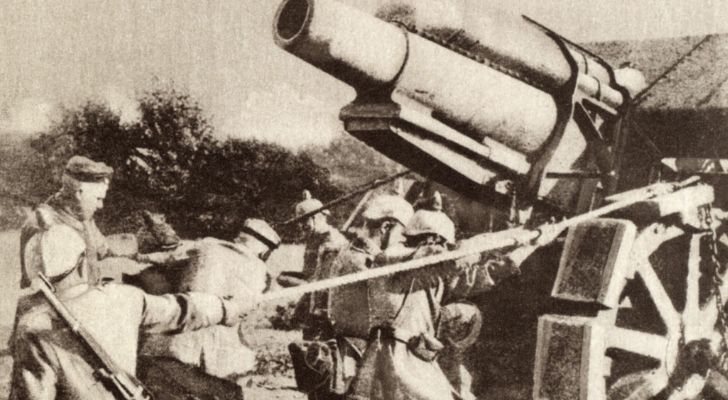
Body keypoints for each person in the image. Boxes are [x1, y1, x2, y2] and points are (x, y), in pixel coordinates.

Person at [344, 192, 561, 400]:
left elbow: (490, 272)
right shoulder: (391, 260)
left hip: (418, 363)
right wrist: (520, 233)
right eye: (438, 244)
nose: (440, 248)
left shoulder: (435, 277)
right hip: (388, 363)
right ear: (427, 241)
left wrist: (532, 244)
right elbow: (458, 256)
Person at [9, 220, 258, 400]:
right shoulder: (123, 298)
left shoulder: (32, 327)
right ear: (83, 265)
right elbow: (183, 308)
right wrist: (230, 308)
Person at [140, 218, 281, 379]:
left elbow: (165, 257)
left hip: (176, 345)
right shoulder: (260, 271)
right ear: (264, 251)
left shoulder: (206, 245)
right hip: (220, 361)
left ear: (239, 237)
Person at [19, 155, 123, 289]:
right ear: (79, 193)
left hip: (88, 300)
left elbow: (104, 249)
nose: (100, 205)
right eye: (98, 199)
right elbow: (40, 291)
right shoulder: (43, 226)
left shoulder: (83, 218)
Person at [285, 190, 349, 339]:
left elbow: (328, 281)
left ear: (317, 218)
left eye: (304, 221)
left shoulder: (332, 240)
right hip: (314, 298)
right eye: (299, 222)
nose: (301, 226)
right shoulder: (313, 239)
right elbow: (309, 273)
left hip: (328, 303)